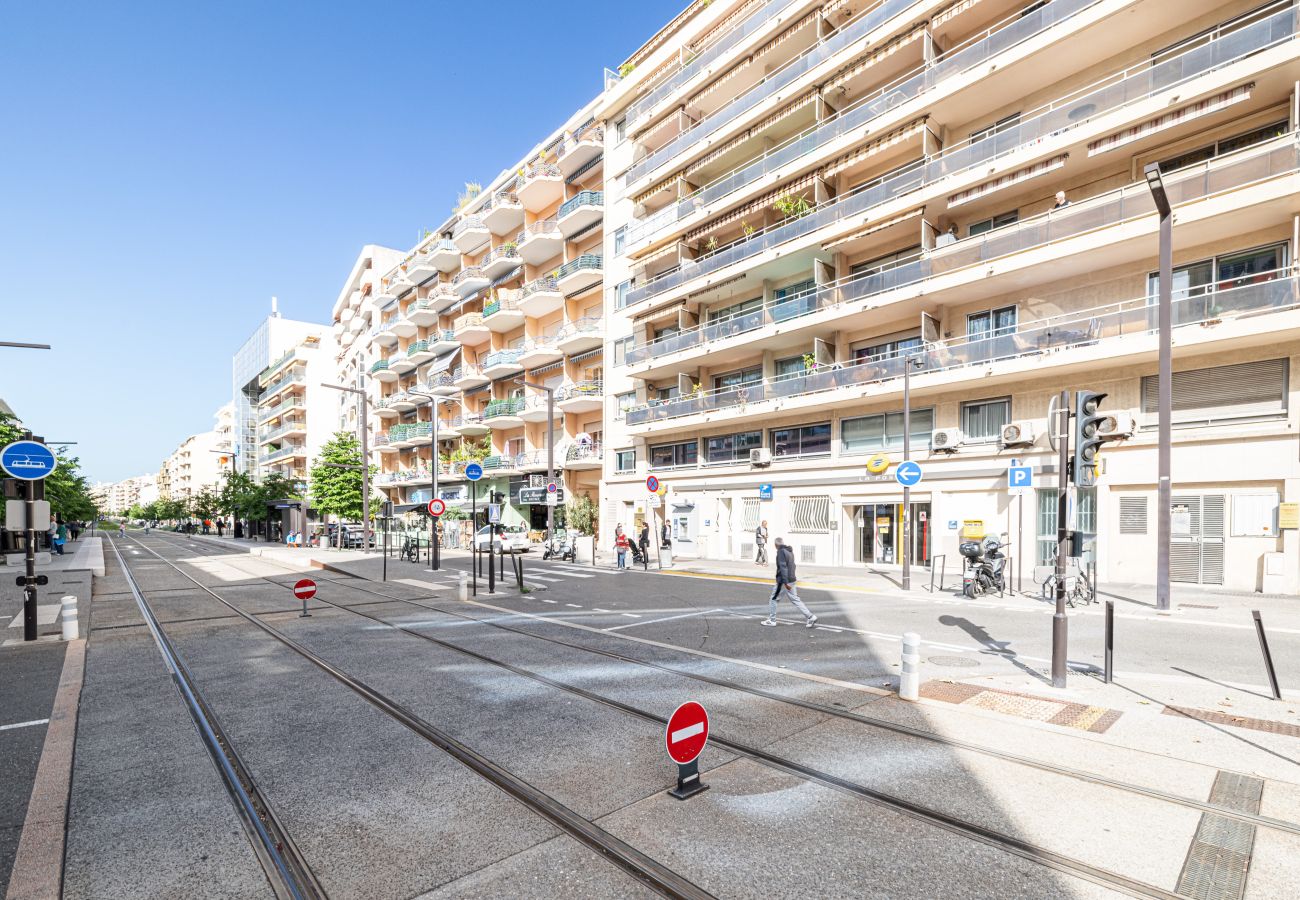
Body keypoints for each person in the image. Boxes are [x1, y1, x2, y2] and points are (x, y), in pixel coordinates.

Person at [761, 537, 817, 628]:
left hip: (784, 581)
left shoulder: (781, 552)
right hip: (792, 579)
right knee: (795, 600)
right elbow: (793, 566)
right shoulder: (789, 551)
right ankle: (811, 617)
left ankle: (772, 620)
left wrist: (785, 582)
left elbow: (783, 567)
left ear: (776, 545)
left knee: (773, 599)